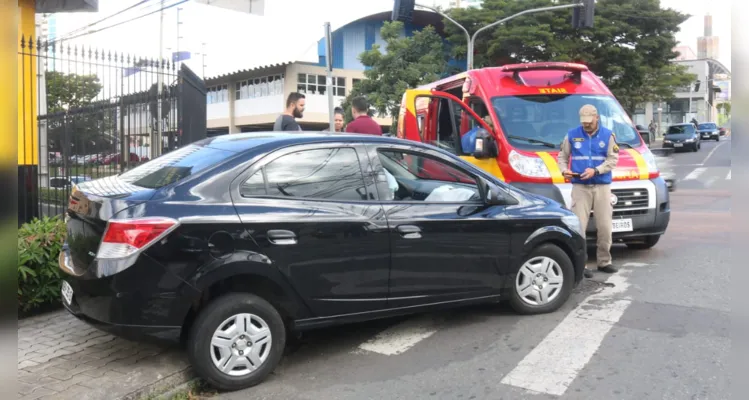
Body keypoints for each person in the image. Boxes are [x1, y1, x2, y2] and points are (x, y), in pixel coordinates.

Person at [557, 104, 620, 278]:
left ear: (597, 118)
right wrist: (564, 170)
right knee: (579, 227)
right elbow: (562, 157)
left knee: (605, 226)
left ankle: (604, 261)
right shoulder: (572, 135)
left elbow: (613, 159)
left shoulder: (608, 136)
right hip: (580, 187)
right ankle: (581, 264)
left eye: (589, 122)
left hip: (601, 186)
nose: (586, 125)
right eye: (583, 122)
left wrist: (596, 170)